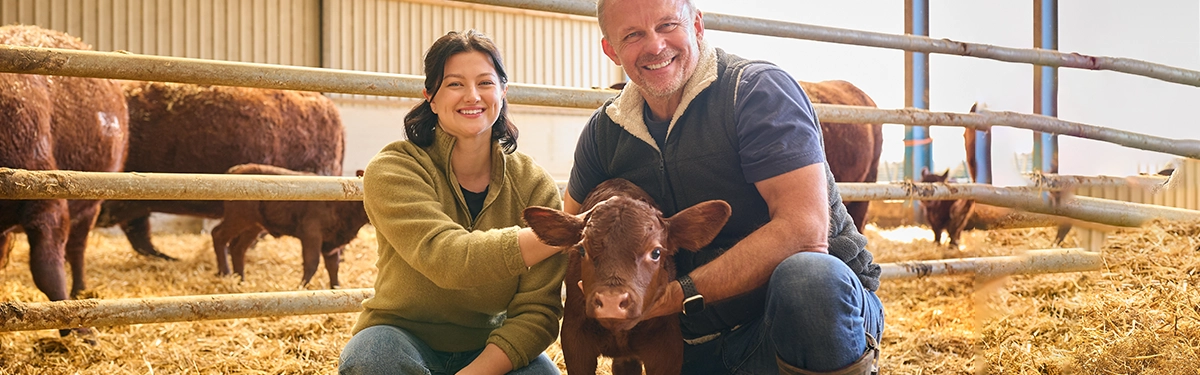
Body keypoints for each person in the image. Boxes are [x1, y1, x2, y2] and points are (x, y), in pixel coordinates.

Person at [565, 0, 885, 373]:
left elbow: (804, 233)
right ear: (611, 49)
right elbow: (571, 231)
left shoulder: (755, 93)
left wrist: (676, 295)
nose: (654, 46)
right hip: (686, 344)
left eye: (668, 25)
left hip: (785, 326)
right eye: (633, 35)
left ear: (697, 26)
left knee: (810, 281)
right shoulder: (604, 132)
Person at [340, 30, 567, 375]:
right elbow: (446, 257)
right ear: (430, 96)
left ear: (503, 93)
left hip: (488, 348)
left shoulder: (534, 185)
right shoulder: (395, 168)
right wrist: (554, 234)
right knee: (373, 356)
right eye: (455, 84)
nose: (472, 96)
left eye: (485, 83)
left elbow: (538, 311)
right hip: (403, 337)